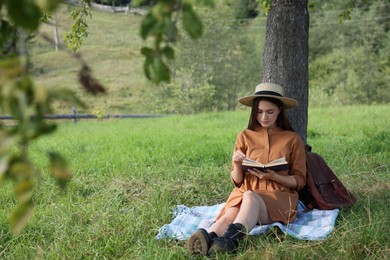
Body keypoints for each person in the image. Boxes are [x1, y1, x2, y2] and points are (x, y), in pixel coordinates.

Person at [187, 82, 307, 256]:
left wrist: (273, 176)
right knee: (231, 212)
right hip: (244, 193)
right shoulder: (245, 136)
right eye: (259, 112)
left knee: (250, 196)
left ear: (280, 110)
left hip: (277, 198)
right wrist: (236, 164)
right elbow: (237, 181)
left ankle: (231, 240)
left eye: (270, 112)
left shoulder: (292, 139)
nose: (264, 117)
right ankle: (208, 237)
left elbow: (299, 181)